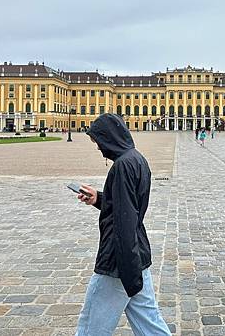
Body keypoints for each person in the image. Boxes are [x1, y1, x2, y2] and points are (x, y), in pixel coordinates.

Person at [75, 114, 170, 336]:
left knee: (90, 328)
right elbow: (127, 206)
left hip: (119, 263)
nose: (98, 147)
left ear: (109, 138)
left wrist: (128, 271)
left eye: (98, 140)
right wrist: (98, 198)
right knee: (150, 325)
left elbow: (124, 222)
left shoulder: (121, 167)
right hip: (138, 258)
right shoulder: (137, 159)